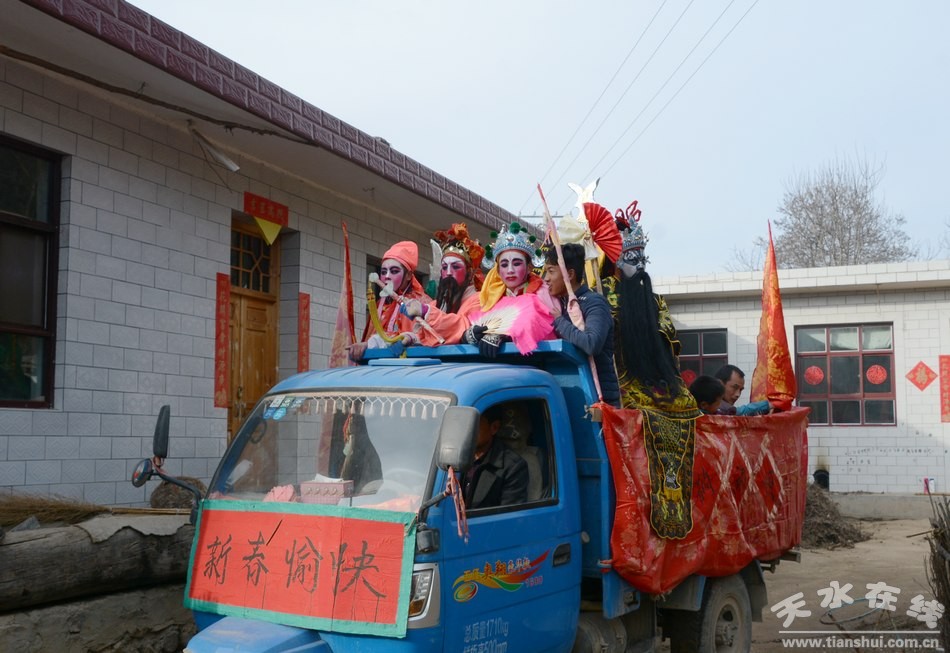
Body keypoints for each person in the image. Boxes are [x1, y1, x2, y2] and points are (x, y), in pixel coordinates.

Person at [542, 243, 620, 406]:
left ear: (569, 274)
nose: (546, 278)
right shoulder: (560, 304)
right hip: (571, 394)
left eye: (551, 271)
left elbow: (591, 344)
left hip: (600, 401)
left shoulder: (594, 302)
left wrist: (558, 321)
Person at [463, 222, 550, 357]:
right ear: (498, 270)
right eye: (504, 265)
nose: (510, 270)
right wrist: (469, 335)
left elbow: (543, 326)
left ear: (529, 268)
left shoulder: (542, 292)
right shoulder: (491, 297)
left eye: (517, 263)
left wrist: (505, 334)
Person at [404, 223, 485, 347]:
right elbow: (423, 335)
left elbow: (464, 326)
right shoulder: (435, 305)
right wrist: (413, 338)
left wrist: (427, 312)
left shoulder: (479, 300)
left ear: (469, 272)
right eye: (444, 267)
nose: (448, 272)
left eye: (456, 267)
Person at [349, 241, 431, 361]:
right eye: (383, 272)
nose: (387, 276)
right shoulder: (380, 304)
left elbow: (412, 340)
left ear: (408, 275)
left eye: (394, 271)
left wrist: (369, 344)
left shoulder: (418, 303)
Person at [463, 405, 529, 509]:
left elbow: (509, 514)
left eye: (474, 424)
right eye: (464, 423)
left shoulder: (513, 467)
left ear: (494, 427)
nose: (466, 430)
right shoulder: (452, 455)